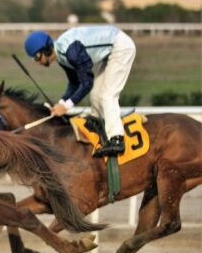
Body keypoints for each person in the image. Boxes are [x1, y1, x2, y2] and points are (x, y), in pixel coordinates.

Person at [24, 26, 137, 157]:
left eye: (37, 57)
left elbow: (87, 83)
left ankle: (117, 139)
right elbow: (74, 83)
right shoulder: (61, 55)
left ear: (46, 50)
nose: (38, 62)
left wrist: (66, 107)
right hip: (111, 50)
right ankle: (97, 120)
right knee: (96, 94)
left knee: (107, 95)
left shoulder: (71, 52)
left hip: (122, 47)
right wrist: (60, 103)